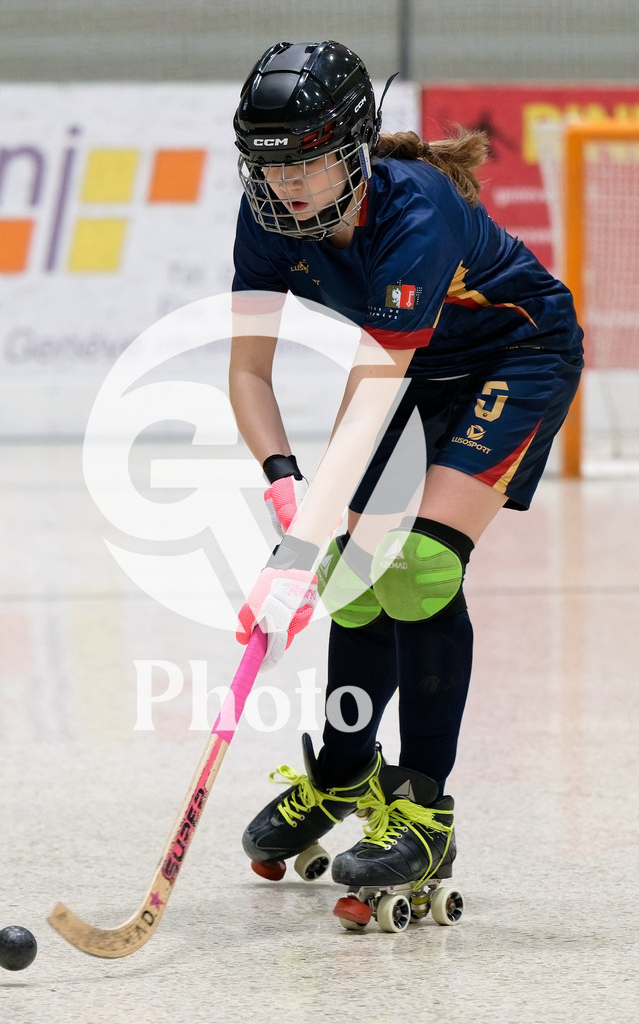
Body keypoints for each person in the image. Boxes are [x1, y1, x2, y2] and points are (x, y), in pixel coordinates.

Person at [228, 40, 583, 913]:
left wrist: (294, 549)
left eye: (310, 161)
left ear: (352, 148)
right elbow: (246, 373)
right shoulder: (265, 218)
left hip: (516, 353)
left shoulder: (416, 207)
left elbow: (372, 385)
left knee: (420, 568)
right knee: (352, 581)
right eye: (272, 167)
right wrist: (285, 490)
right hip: (415, 372)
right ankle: (345, 777)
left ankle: (424, 809)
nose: (291, 185)